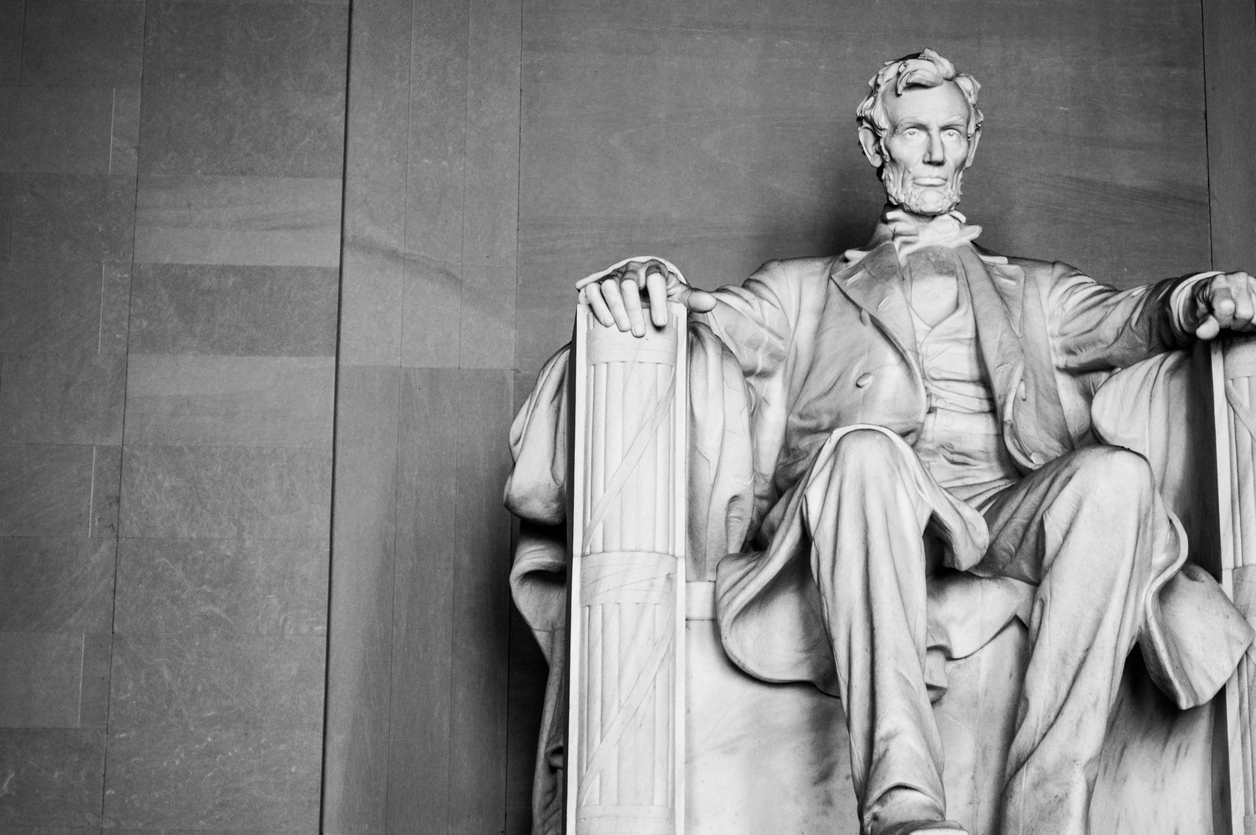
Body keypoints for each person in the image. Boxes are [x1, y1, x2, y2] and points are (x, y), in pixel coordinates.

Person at [577, 49, 1256, 835]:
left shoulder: (1033, 290)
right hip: (864, 504)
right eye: (913, 133)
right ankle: (904, 810)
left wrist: (1201, 297)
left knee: (1116, 479)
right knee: (866, 451)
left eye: (951, 133)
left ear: (971, 143)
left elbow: (1131, 318)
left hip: (1002, 511)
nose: (934, 153)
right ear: (877, 144)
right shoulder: (801, 289)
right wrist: (650, 283)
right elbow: (710, 314)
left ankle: (1047, 812)